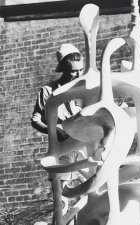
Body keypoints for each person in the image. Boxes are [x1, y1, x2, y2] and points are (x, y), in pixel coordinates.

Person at [31, 43, 86, 222]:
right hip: (61, 151)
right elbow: (36, 120)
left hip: (85, 148)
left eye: (80, 70)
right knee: (61, 201)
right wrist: (55, 131)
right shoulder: (48, 91)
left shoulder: (85, 89)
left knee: (88, 196)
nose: (77, 74)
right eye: (72, 71)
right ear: (62, 68)